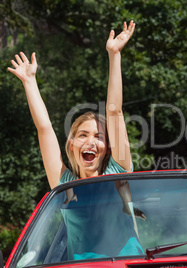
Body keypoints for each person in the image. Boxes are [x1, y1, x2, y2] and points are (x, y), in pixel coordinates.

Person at [8, 21, 144, 258]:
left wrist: (114, 55)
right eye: (83, 135)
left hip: (127, 263)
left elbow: (114, 112)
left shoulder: (118, 171)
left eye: (98, 136)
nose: (91, 141)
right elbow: (44, 129)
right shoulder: (65, 183)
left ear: (107, 147)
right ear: (71, 143)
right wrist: (29, 82)